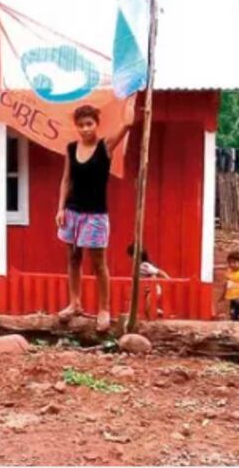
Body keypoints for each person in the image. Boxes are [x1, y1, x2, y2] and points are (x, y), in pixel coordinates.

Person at [56, 103, 134, 332]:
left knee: (98, 263)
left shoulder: (105, 147)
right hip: (72, 212)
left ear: (96, 124)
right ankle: (75, 303)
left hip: (95, 215)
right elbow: (66, 180)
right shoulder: (71, 149)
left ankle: (103, 309)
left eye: (89, 124)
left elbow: (128, 124)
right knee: (73, 258)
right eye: (81, 125)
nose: (85, 129)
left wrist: (129, 101)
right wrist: (60, 209)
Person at [127, 243, 171, 319]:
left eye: (131, 256)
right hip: (144, 291)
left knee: (148, 308)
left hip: (152, 290)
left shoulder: (144, 265)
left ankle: (157, 314)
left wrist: (169, 280)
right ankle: (157, 312)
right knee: (141, 307)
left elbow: (159, 272)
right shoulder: (137, 267)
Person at [217, 251, 239, 321]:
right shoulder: (229, 272)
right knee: (232, 309)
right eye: (230, 262)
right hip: (231, 295)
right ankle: (234, 318)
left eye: (234, 262)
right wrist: (223, 295)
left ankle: (236, 318)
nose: (231, 264)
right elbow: (226, 283)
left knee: (237, 309)